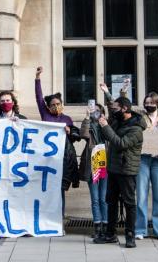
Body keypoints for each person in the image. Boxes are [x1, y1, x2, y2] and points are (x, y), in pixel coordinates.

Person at [93, 96, 144, 249]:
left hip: (127, 170)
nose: (113, 110)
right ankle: (110, 234)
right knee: (111, 202)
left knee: (129, 203)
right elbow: (110, 108)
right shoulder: (118, 120)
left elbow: (121, 143)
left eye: (116, 108)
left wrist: (105, 126)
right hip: (113, 169)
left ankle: (130, 235)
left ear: (124, 109)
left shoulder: (136, 129)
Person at [33, 67, 80, 211]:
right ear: (48, 107)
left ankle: (60, 218)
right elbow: (39, 97)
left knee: (59, 191)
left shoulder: (67, 119)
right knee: (47, 190)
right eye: (53, 105)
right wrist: (37, 78)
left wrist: (69, 130)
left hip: (62, 160)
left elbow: (74, 138)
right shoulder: (45, 115)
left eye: (58, 104)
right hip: (47, 159)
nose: (56, 106)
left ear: (62, 104)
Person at [134, 91, 158, 240]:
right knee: (141, 196)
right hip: (143, 160)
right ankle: (140, 230)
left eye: (152, 102)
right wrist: (124, 90)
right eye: (147, 102)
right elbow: (126, 106)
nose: (149, 105)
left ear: (157, 103)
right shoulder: (139, 118)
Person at [80, 102, 108, 240]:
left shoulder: (106, 124)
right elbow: (83, 135)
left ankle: (106, 225)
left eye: (98, 111)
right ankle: (97, 226)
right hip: (92, 163)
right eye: (93, 111)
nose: (95, 113)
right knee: (95, 199)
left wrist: (104, 123)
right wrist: (86, 117)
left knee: (104, 198)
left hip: (105, 164)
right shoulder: (89, 124)